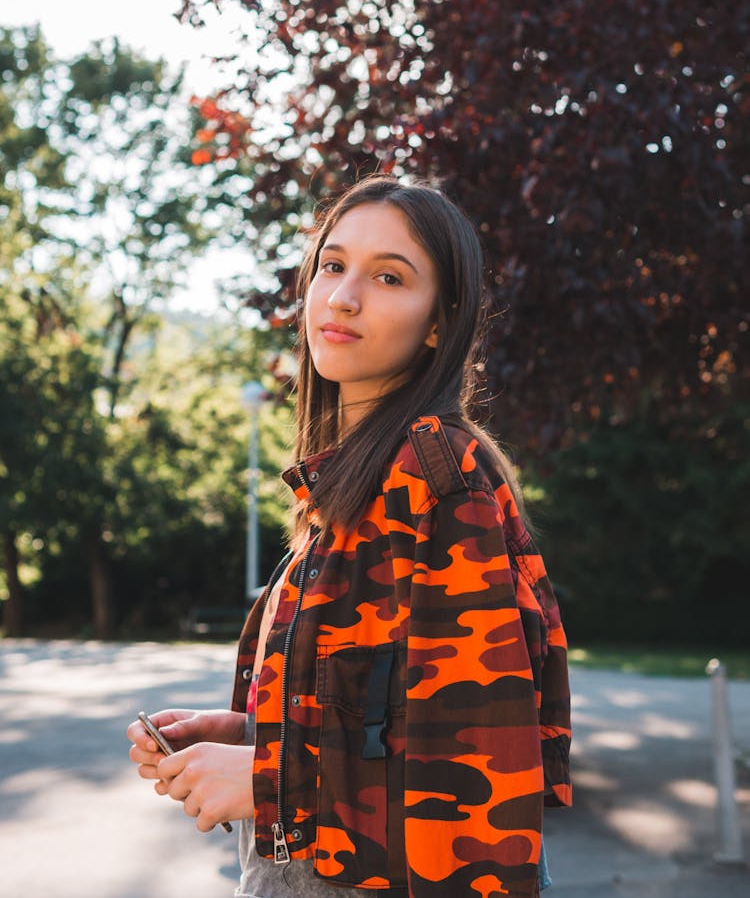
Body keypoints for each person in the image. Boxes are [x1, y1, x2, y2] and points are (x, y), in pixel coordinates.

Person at [127, 175, 571, 898]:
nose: (343, 295)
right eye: (332, 265)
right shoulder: (350, 485)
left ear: (440, 322)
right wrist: (251, 731)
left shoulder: (439, 476)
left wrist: (268, 779)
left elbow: (478, 772)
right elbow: (384, 714)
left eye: (389, 276)